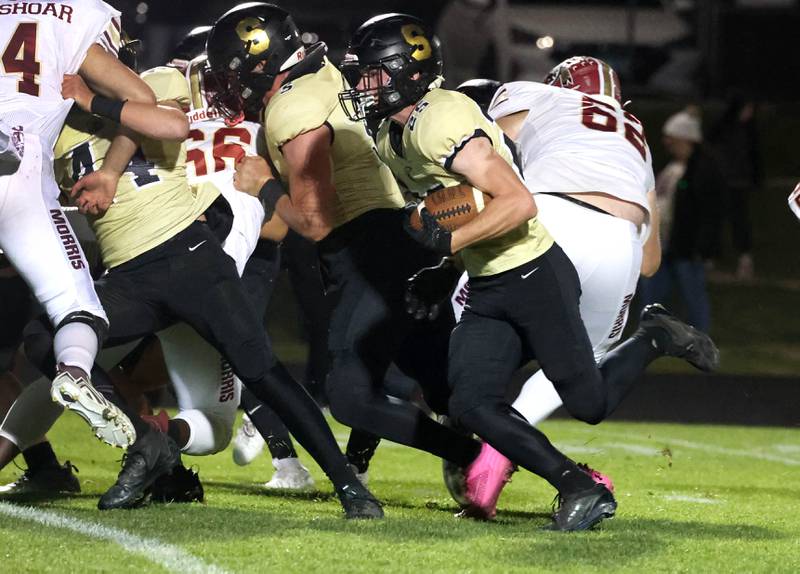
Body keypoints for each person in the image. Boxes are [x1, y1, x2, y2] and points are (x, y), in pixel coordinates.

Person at [339, 13, 719, 530]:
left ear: (406, 71)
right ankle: (576, 485)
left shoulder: (475, 111)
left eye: (371, 74)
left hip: (537, 259)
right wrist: (446, 259)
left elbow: (514, 193)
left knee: (585, 401)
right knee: (475, 400)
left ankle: (648, 342)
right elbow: (649, 258)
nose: (360, 85)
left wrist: (448, 239)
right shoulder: (636, 138)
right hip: (580, 254)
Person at [13, 53, 380, 517]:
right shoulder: (38, 122)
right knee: (43, 336)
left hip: (189, 256)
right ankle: (149, 444)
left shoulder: (150, 83)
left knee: (262, 372)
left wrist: (93, 107)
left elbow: (170, 125)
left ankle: (351, 489)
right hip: (128, 277)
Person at [209, 2, 485, 492]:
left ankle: (474, 455)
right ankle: (552, 472)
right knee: (441, 384)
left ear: (258, 63)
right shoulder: (330, 73)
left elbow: (314, 223)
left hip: (368, 248)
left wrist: (265, 185)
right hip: (410, 239)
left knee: (352, 395)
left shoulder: (291, 105)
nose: (233, 88)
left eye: (235, 74)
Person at [0, 0, 170, 448]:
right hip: (16, 162)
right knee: (78, 306)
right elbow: (144, 100)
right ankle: (74, 372)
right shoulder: (72, 16)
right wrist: (108, 159)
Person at [639, 108, 724, 332]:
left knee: (693, 295)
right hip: (663, 242)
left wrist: (703, 246)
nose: (666, 142)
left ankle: (700, 340)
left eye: (672, 138)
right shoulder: (673, 167)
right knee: (652, 295)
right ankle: (649, 336)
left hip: (686, 246)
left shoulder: (702, 170)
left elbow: (709, 212)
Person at [708, 93, 761, 280]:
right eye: (747, 108)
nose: (749, 112)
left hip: (739, 183)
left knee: (740, 221)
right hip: (723, 181)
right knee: (715, 220)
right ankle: (711, 258)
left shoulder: (748, 130)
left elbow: (754, 157)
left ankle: (744, 259)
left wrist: (754, 179)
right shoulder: (724, 128)